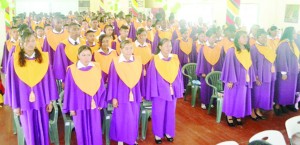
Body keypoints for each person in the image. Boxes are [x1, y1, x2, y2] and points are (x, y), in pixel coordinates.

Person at [5, 30, 58, 145]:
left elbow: (48, 82)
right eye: (27, 41)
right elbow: (12, 84)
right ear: (22, 43)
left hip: (42, 100)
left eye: (33, 40)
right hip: (24, 102)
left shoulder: (43, 59)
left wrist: (50, 101)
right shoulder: (14, 60)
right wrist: (16, 105)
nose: (31, 43)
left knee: (43, 129)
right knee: (29, 131)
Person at [63, 45, 106, 145]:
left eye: (89, 55)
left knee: (95, 127)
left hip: (93, 103)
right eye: (83, 55)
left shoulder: (96, 67)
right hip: (79, 104)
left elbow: (101, 86)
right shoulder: (72, 69)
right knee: (81, 128)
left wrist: (100, 101)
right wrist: (72, 108)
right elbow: (70, 90)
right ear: (78, 56)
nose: (86, 58)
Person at [146, 38, 184, 144]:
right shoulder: (155, 59)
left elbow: (179, 75)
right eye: (166, 45)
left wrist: (178, 88)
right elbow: (152, 77)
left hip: (172, 90)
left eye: (170, 45)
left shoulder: (175, 59)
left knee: (170, 112)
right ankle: (158, 134)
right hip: (159, 92)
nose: (169, 48)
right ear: (160, 47)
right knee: (158, 113)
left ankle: (168, 132)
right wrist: (154, 91)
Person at [107, 40, 142, 145]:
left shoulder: (137, 60)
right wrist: (114, 97)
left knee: (133, 116)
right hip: (120, 94)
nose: (128, 50)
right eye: (126, 48)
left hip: (134, 93)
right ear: (121, 49)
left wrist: (141, 94)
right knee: (121, 117)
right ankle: (121, 139)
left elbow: (140, 80)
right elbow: (112, 80)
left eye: (130, 48)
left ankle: (132, 138)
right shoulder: (116, 62)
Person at [221, 31, 255, 127]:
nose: (245, 39)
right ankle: (229, 115)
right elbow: (229, 65)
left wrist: (250, 76)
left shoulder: (247, 50)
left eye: (246, 37)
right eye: (243, 37)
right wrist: (230, 80)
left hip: (244, 78)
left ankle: (238, 115)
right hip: (234, 79)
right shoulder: (232, 50)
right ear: (237, 38)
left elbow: (250, 65)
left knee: (241, 98)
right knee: (232, 97)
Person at [250, 29, 276, 120]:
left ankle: (258, 110)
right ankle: (252, 111)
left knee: (262, 95)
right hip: (259, 76)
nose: (265, 39)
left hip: (267, 75)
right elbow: (253, 63)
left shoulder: (267, 47)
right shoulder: (254, 48)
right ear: (257, 37)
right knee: (256, 94)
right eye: (263, 37)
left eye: (266, 37)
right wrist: (256, 77)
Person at [196, 28, 224, 109]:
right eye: (212, 37)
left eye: (215, 37)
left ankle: (212, 101)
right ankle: (204, 102)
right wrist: (202, 72)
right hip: (206, 69)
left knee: (213, 85)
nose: (214, 39)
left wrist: (220, 70)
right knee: (205, 86)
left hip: (216, 69)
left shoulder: (218, 48)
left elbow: (221, 60)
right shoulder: (203, 48)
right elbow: (201, 61)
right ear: (207, 37)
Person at [274, 26, 299, 115]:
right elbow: (282, 58)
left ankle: (283, 105)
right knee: (282, 89)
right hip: (285, 72)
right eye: (294, 32)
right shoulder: (283, 44)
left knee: (289, 89)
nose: (295, 34)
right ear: (290, 34)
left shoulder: (292, 43)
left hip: (293, 70)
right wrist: (283, 72)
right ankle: (277, 105)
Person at [132, 28, 152, 97]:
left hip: (147, 67)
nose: (143, 37)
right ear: (137, 35)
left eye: (144, 35)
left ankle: (146, 96)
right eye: (141, 35)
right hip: (136, 67)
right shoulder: (132, 45)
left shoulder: (148, 45)